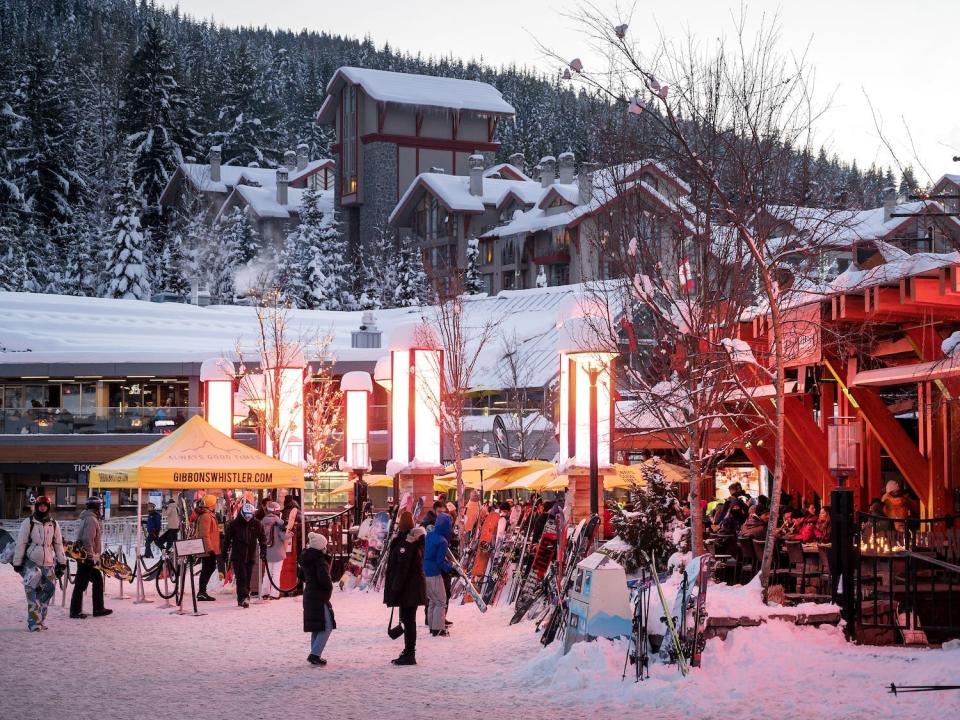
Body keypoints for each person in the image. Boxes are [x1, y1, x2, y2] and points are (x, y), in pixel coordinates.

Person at [12, 495, 66, 631]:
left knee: (46, 593)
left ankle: (41, 621)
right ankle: (33, 623)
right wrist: (17, 562)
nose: (43, 508)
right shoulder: (28, 522)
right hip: (32, 563)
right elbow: (21, 543)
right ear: (36, 507)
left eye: (45, 506)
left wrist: (61, 563)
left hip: (48, 564)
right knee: (32, 594)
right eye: (40, 505)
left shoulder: (53, 523)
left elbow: (58, 544)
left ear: (48, 507)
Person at [384, 511, 427, 665]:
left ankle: (410, 652)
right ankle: (408, 651)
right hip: (410, 589)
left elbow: (402, 568)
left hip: (409, 589)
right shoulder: (409, 541)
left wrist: (395, 588)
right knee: (408, 620)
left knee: (409, 621)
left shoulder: (407, 543)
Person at [69, 496, 112, 620]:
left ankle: (98, 608)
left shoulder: (88, 517)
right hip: (87, 557)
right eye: (100, 506)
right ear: (96, 507)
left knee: (97, 580)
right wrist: (90, 555)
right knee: (81, 584)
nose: (101, 508)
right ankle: (75, 611)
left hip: (87, 556)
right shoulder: (91, 519)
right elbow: (88, 539)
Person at [300, 532, 336, 665]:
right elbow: (325, 581)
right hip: (318, 596)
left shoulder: (306, 558)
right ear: (321, 547)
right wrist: (328, 592)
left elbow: (302, 576)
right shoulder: (320, 561)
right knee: (327, 626)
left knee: (317, 626)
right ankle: (314, 654)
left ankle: (314, 653)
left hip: (309, 594)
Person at [222, 502, 267, 608]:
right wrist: (224, 552)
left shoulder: (256, 524)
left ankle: (243, 598)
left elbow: (262, 538)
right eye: (246, 516)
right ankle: (243, 597)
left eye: (250, 516)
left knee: (247, 577)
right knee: (241, 577)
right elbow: (227, 539)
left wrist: (263, 550)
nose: (248, 518)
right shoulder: (234, 524)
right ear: (242, 513)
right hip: (238, 555)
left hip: (250, 555)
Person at [423, 512, 453, 637]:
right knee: (441, 601)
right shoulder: (442, 541)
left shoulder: (429, 535)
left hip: (424, 571)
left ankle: (432, 627)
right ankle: (438, 629)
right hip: (434, 573)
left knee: (432, 601)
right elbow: (440, 562)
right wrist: (450, 568)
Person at [194, 495, 221, 601]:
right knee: (208, 568)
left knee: (208, 567)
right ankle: (201, 592)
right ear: (210, 504)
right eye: (214, 503)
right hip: (208, 548)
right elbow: (204, 534)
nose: (215, 504)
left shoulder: (208, 514)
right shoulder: (206, 516)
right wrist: (210, 549)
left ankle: (202, 591)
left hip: (210, 547)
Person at [260, 501, 288, 600]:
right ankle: (274, 594)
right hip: (278, 551)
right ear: (277, 511)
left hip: (267, 550)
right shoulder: (279, 522)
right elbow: (283, 536)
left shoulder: (263, 521)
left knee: (267, 573)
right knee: (276, 573)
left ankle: (264, 593)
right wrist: (290, 534)